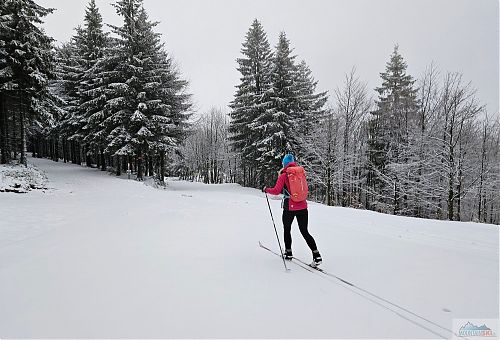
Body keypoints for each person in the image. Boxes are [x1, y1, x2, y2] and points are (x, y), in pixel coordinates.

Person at [262, 154, 322, 266]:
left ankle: (288, 253)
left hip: (290, 207)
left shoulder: (284, 175)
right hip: (303, 206)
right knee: (305, 231)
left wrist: (266, 189)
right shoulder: (300, 173)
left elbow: (276, 191)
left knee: (287, 229)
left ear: (284, 164)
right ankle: (317, 255)